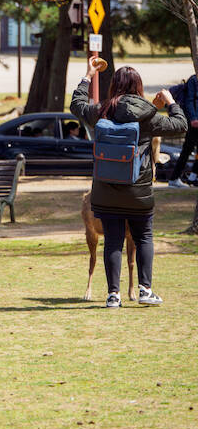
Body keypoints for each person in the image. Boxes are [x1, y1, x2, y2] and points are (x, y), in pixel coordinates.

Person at [70, 58, 187, 308]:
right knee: (143, 237)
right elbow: (181, 125)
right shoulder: (147, 114)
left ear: (114, 86)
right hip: (138, 190)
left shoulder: (102, 110)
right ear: (139, 86)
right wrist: (171, 102)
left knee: (112, 240)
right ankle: (145, 290)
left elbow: (76, 105)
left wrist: (88, 76)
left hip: (105, 190)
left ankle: (113, 295)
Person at [168, 74, 198, 188]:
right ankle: (174, 178)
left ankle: (192, 178)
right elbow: (189, 100)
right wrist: (193, 118)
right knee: (187, 150)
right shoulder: (194, 80)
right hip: (194, 123)